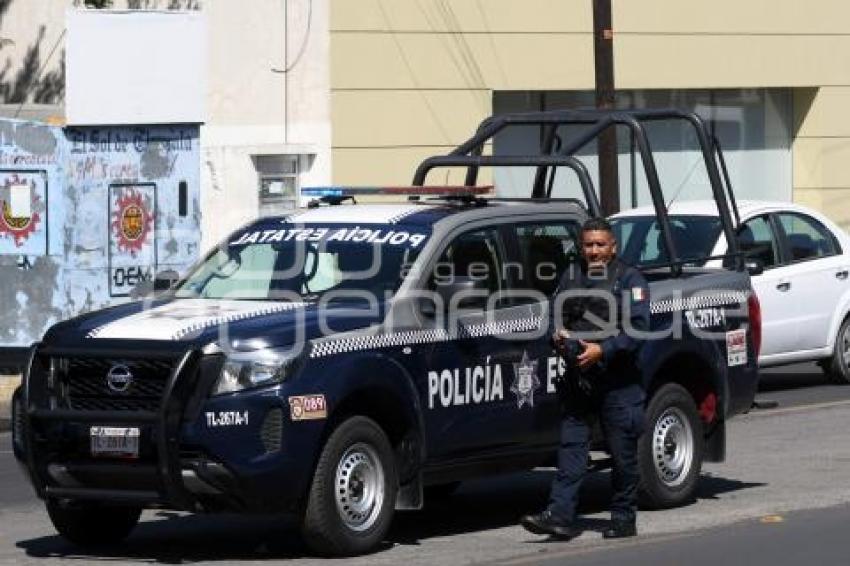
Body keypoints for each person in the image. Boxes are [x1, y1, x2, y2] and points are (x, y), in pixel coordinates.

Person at [520, 217, 650, 540]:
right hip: (579, 380)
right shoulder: (572, 276)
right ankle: (560, 516)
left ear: (613, 247)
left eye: (600, 245)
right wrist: (557, 335)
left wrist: (602, 350)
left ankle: (623, 518)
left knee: (622, 457)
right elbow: (554, 312)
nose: (594, 251)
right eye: (589, 245)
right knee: (571, 450)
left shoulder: (630, 280)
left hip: (618, 383)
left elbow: (639, 329)